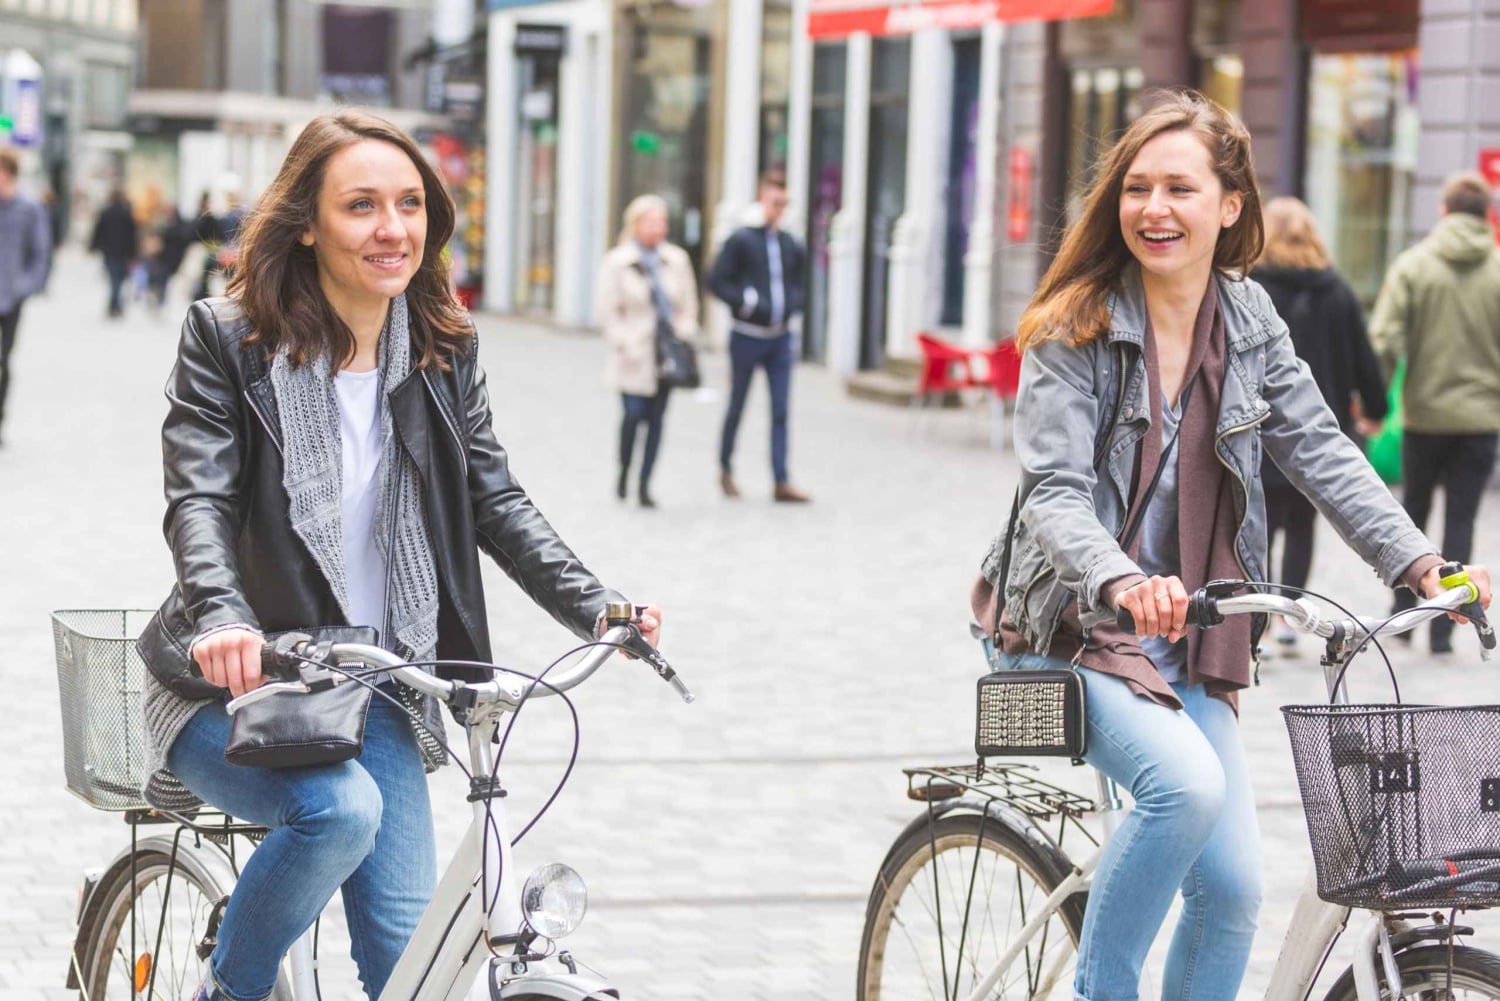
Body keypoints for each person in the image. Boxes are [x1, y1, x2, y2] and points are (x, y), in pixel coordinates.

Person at [133, 110, 665, 1001]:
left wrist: (598, 605)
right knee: (340, 811)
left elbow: (493, 496)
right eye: (363, 205)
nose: (394, 228)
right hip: (237, 682)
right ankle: (228, 990)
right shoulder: (227, 341)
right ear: (309, 222)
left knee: (411, 971)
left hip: (376, 683)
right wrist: (223, 617)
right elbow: (201, 500)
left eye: (411, 203)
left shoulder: (441, 348)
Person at [970, 90, 1490, 1001]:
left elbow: (1324, 449)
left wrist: (1419, 562)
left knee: (1234, 890)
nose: (1155, 209)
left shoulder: (1248, 322)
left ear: (1231, 205)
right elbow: (1054, 493)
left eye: (1180, 187)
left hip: (1189, 637)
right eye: (1137, 188)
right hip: (1066, 627)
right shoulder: (1074, 326)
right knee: (1183, 790)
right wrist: (1122, 575)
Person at [1369, 170, 1500, 654]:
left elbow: (1384, 338)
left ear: (1443, 212)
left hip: (1424, 417)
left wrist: (1379, 401)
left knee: (1414, 513)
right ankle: (1448, 629)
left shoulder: (1414, 266)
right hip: (1482, 422)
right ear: (1487, 215)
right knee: (1462, 520)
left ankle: (1403, 616)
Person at [1251, 197, 1388, 649]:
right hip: (1319, 431)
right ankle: (1290, 620)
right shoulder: (1338, 292)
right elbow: (1365, 362)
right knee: (1303, 528)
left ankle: (1262, 624)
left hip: (1259, 431)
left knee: (1260, 528)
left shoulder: (1251, 289)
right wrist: (1375, 410)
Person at [708, 170, 811, 503]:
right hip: (747, 336)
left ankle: (781, 479)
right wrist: (746, 303)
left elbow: (800, 282)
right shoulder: (742, 239)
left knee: (781, 409)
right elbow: (716, 280)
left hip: (780, 339)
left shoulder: (790, 242)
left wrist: (794, 305)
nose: (779, 208)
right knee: (738, 404)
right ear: (762, 197)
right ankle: (725, 468)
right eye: (775, 201)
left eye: (785, 202)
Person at [596, 194, 700, 508]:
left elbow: (688, 305)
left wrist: (684, 334)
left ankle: (645, 483)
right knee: (633, 415)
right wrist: (622, 341)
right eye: (652, 221)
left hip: (667, 354)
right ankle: (624, 470)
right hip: (634, 353)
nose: (659, 227)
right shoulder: (618, 261)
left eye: (663, 222)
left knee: (657, 420)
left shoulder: (677, 260)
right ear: (636, 224)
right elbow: (607, 311)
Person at [0, 150, 53, 445]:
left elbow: (40, 253)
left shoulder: (29, 208)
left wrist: (24, 288)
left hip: (10, 298)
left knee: (3, 360)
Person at [89, 188, 138, 318]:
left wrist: (93, 246)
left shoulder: (106, 212)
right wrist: (133, 253)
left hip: (109, 251)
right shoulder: (126, 213)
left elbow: (98, 231)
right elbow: (132, 235)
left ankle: (114, 305)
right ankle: (115, 305)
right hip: (122, 252)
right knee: (118, 279)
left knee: (114, 279)